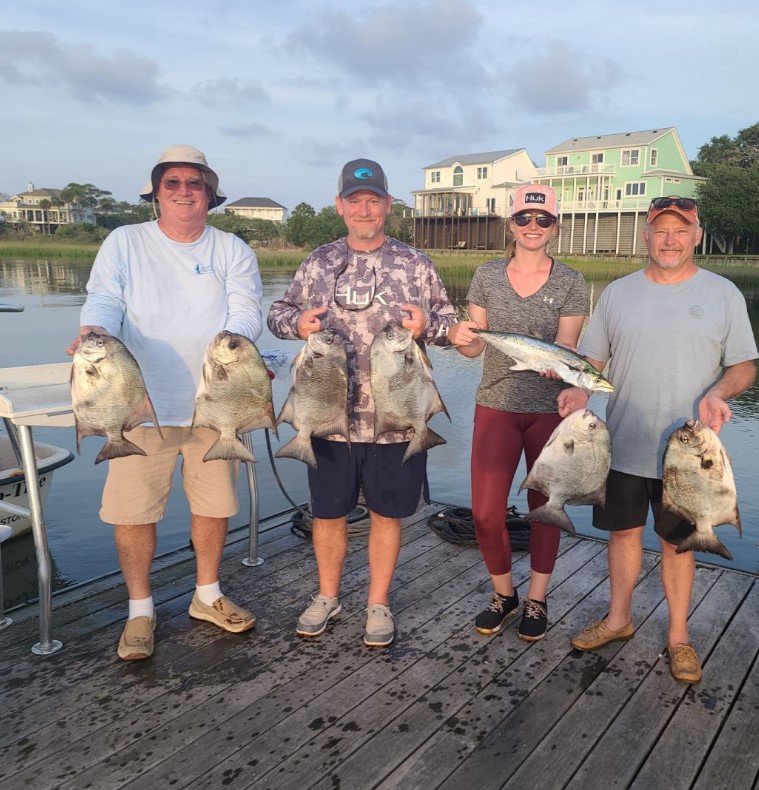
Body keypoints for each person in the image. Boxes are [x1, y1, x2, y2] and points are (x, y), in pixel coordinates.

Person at [67, 145, 264, 660]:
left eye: (193, 183)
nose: (183, 191)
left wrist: (233, 346)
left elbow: (247, 309)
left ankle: (207, 594)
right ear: (155, 193)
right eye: (171, 182)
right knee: (134, 514)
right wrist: (95, 332)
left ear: (209, 194)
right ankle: (140, 610)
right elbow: (105, 299)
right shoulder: (124, 241)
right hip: (135, 404)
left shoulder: (231, 249)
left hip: (213, 404)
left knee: (214, 507)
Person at [267, 158, 456, 647]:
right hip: (326, 416)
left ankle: (378, 602)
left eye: (374, 201)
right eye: (356, 201)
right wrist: (297, 324)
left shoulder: (417, 264)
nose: (365, 210)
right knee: (327, 514)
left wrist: (427, 328)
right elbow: (278, 314)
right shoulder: (318, 262)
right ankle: (327, 596)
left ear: (388, 205)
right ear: (340, 206)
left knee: (386, 514)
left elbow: (451, 328)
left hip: (396, 418)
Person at [569, 196, 757, 683]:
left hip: (691, 455)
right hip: (624, 442)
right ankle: (619, 619)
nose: (669, 239)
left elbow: (744, 367)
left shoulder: (723, 294)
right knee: (623, 533)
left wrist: (719, 391)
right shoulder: (616, 294)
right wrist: (576, 386)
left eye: (681, 230)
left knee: (679, 544)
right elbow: (592, 363)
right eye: (660, 230)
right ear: (645, 237)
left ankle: (678, 638)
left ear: (697, 234)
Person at [448, 184, 589, 642]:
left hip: (549, 411)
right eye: (524, 219)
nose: (533, 227)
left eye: (543, 220)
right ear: (511, 224)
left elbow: (567, 349)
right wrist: (459, 337)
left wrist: (565, 372)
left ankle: (538, 598)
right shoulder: (486, 275)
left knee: (546, 510)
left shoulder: (570, 281)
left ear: (555, 227)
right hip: (495, 406)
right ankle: (504, 593)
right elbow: (472, 349)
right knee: (486, 512)